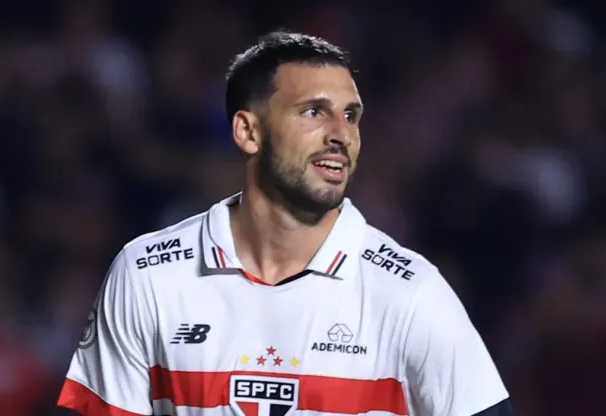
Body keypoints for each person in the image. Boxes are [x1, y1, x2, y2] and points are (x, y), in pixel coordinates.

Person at [57, 31, 513, 416]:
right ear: (248, 131)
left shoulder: (411, 293)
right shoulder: (148, 275)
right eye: (314, 112)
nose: (341, 134)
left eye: (351, 115)